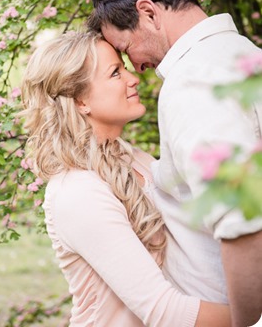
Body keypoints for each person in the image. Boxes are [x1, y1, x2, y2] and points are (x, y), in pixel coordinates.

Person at [87, 0, 262, 327]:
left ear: (148, 13)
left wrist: (246, 322)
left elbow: (243, 224)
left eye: (126, 47)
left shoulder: (192, 83)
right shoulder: (245, 56)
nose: (135, 67)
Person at [21, 31, 230, 326]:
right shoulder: (77, 192)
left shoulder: (130, 157)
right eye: (115, 73)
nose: (133, 79)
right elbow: (163, 311)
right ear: (81, 101)